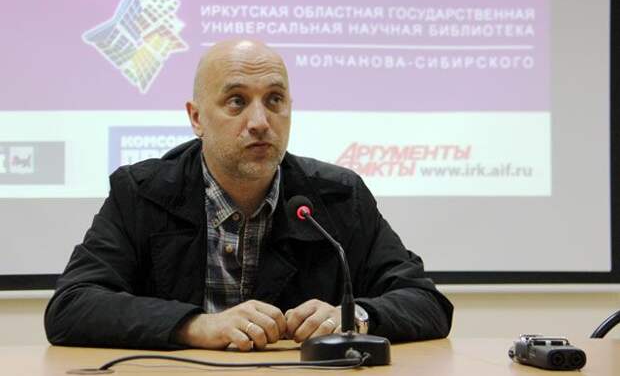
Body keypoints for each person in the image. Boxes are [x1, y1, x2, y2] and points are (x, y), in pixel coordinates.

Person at [44, 39, 453, 351]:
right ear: (196, 118)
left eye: (274, 100)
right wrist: (196, 325)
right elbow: (72, 306)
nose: (260, 121)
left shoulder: (338, 197)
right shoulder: (142, 193)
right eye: (236, 101)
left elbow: (426, 302)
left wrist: (354, 316)